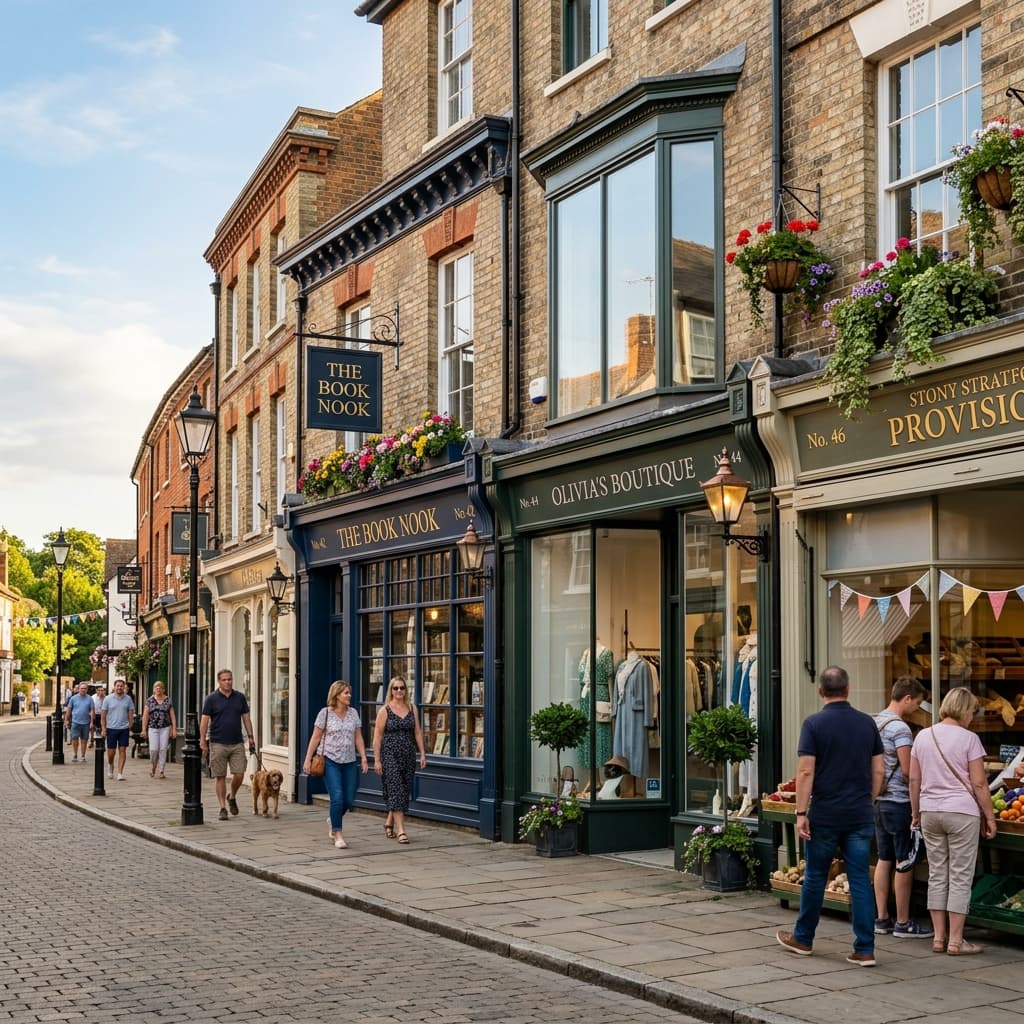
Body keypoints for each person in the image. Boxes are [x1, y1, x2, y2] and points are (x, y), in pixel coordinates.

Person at [777, 665, 884, 967]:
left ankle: (803, 938)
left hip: (824, 814)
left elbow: (806, 770)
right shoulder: (867, 724)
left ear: (820, 691)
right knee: (861, 879)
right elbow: (879, 770)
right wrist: (869, 799)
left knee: (814, 876)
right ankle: (865, 948)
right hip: (859, 814)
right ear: (848, 690)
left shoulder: (814, 724)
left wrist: (800, 812)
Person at [909, 686, 997, 955]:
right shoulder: (969, 739)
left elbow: (914, 779)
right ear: (963, 709)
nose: (973, 716)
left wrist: (915, 813)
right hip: (961, 812)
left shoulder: (923, 737)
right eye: (972, 710)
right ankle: (956, 941)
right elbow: (980, 784)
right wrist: (990, 816)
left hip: (930, 812)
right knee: (960, 875)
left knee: (937, 873)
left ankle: (938, 937)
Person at [873, 676, 933, 939]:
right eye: (917, 703)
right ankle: (904, 921)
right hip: (899, 802)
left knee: (883, 859)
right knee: (905, 861)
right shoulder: (901, 729)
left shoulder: (875, 722)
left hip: (878, 800)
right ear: (907, 698)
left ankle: (881, 918)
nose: (917, 709)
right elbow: (908, 771)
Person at [303, 680, 368, 849]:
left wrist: (363, 758)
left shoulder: (353, 713)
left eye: (349, 692)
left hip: (349, 761)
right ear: (337, 695)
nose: (349, 696)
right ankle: (337, 833)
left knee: (348, 799)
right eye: (346, 693)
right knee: (337, 797)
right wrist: (307, 759)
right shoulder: (325, 713)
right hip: (330, 760)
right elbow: (315, 737)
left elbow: (358, 737)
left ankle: (333, 818)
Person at [372, 676, 426, 844]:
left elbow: (417, 732)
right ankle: (401, 831)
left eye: (402, 688)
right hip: (389, 755)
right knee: (395, 788)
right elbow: (377, 737)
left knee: (403, 789)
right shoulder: (385, 710)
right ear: (391, 691)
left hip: (408, 755)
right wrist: (377, 760)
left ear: (406, 690)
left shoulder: (412, 708)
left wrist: (423, 753)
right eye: (395, 688)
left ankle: (389, 822)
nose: (399, 691)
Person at [199, 668, 256, 821]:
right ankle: (222, 807)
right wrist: (202, 740)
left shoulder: (240, 698)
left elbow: (246, 718)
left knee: (239, 774)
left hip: (237, 741)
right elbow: (204, 721)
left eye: (229, 679)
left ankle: (233, 796)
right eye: (224, 680)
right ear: (219, 681)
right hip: (218, 742)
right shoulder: (211, 699)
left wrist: (251, 737)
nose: (227, 682)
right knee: (220, 776)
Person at [141, 681, 177, 779]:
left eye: (160, 687)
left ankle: (161, 770)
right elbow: (145, 716)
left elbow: (172, 715)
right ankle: (153, 766)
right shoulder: (149, 701)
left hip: (165, 727)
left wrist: (174, 728)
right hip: (153, 727)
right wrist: (143, 729)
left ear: (163, 689)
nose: (158, 689)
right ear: (153, 689)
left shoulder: (168, 700)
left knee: (163, 749)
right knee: (153, 749)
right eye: (156, 687)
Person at [101, 678, 136, 781]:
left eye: (121, 686)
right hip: (111, 728)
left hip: (123, 728)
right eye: (118, 686)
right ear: (114, 687)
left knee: (122, 750)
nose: (119, 687)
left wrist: (129, 726)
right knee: (111, 752)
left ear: (124, 687)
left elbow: (130, 714)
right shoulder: (108, 699)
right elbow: (103, 715)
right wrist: (103, 728)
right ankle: (110, 764)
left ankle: (120, 773)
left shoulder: (128, 699)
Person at [64, 682, 94, 763]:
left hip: (86, 723)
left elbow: (92, 710)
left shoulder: (90, 698)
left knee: (84, 740)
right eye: (82, 688)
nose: (83, 690)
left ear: (87, 689)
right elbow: (69, 710)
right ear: (79, 689)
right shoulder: (73, 698)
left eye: (85, 688)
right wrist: (66, 720)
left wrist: (91, 722)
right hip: (75, 722)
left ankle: (83, 755)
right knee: (74, 739)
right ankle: (75, 754)